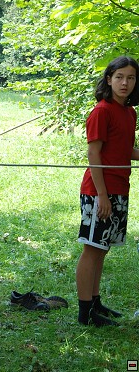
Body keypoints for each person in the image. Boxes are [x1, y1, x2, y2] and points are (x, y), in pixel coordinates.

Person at [76, 56, 139, 326]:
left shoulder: (129, 113)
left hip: (119, 189)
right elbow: (94, 153)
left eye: (131, 78)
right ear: (109, 79)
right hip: (98, 191)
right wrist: (101, 195)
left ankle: (95, 301)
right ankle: (85, 312)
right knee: (92, 248)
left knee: (102, 248)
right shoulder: (101, 110)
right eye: (119, 77)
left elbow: (124, 150)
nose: (125, 83)